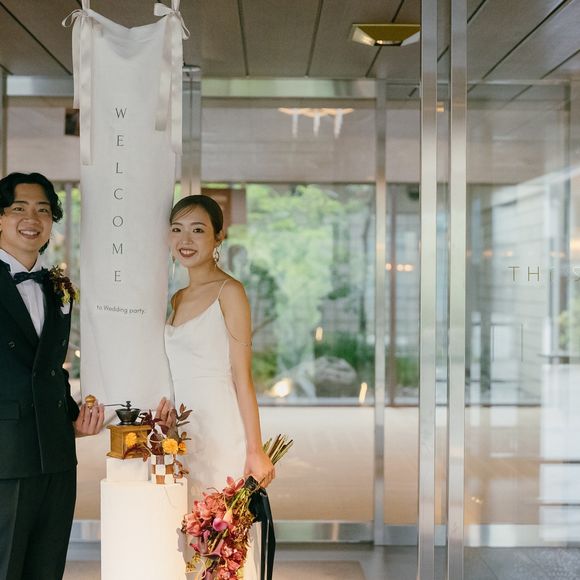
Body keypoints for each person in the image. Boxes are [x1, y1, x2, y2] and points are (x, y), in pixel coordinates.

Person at [0, 172, 105, 580]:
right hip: (7, 455)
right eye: (19, 208)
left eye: (43, 210)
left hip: (57, 456)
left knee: (47, 569)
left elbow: (50, 368)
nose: (32, 219)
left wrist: (73, 419)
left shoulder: (58, 286)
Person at [165, 195, 275, 579]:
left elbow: (242, 377)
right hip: (184, 434)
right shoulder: (177, 297)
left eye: (197, 230)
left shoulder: (230, 291)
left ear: (218, 237)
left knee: (224, 546)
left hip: (221, 429)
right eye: (177, 229)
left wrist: (255, 451)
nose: (185, 239)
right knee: (191, 541)